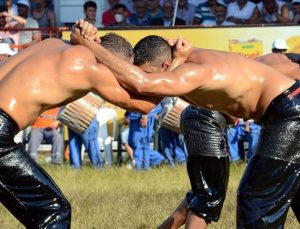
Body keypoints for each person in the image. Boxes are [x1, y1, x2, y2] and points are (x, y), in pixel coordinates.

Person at [73, 21, 300, 228]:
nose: (156, 85)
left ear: (165, 64)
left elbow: (141, 85)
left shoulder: (191, 71)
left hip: (289, 112)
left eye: (155, 75)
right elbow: (140, 86)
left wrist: (89, 45)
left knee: (256, 197)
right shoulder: (183, 60)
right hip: (283, 111)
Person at [0, 29, 161, 227]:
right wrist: (174, 64)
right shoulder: (91, 68)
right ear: (110, 61)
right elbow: (144, 105)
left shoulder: (52, 43)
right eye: (122, 73)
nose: (123, 81)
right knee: (52, 209)